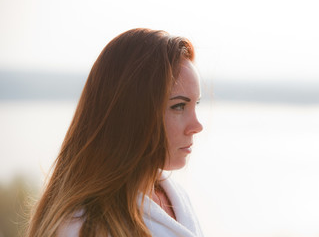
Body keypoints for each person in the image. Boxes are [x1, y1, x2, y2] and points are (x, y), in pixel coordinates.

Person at [26, 28, 204, 237]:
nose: (197, 125)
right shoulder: (84, 226)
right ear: (132, 111)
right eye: (179, 106)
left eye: (196, 104)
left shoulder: (177, 198)